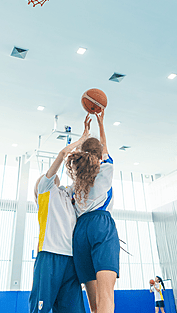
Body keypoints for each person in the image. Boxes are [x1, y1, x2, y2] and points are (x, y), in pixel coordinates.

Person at [29, 115, 91, 313]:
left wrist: (87, 150)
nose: (49, 176)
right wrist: (83, 137)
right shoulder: (46, 191)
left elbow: (80, 173)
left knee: (72, 309)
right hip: (49, 256)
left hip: (71, 260)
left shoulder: (66, 193)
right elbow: (63, 153)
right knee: (40, 308)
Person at [66, 110, 119, 313]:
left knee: (94, 304)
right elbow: (103, 149)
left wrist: (84, 135)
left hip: (80, 232)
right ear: (98, 156)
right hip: (101, 225)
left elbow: (91, 153)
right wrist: (101, 124)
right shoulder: (105, 171)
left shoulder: (76, 183)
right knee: (106, 297)